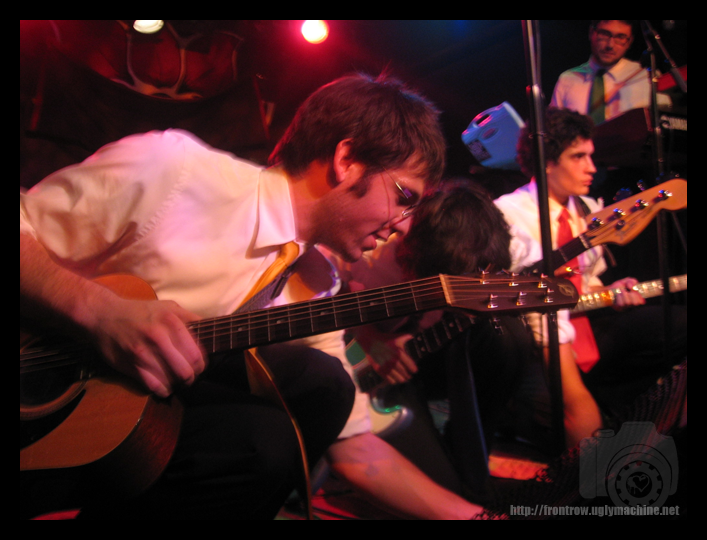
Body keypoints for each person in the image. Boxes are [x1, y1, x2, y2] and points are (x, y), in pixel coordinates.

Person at [20, 73, 447, 519]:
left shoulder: (318, 283)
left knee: (320, 388)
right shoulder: (174, 171)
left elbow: (352, 441)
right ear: (347, 160)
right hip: (36, 410)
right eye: (403, 195)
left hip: (125, 447)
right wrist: (100, 311)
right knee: (265, 439)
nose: (403, 224)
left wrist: (475, 516)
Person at [323, 179, 534, 515]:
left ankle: (471, 448)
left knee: (511, 336)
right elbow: (321, 304)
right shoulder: (366, 249)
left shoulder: (500, 246)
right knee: (442, 491)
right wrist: (371, 339)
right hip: (378, 370)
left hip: (435, 353)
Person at [494, 107, 687, 447]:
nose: (592, 168)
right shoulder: (507, 213)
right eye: (578, 157)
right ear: (547, 161)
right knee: (558, 410)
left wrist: (610, 291)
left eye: (591, 156)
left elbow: (588, 279)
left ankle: (621, 411)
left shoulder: (586, 208)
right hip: (537, 339)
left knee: (678, 325)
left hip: (587, 325)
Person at [550, 20, 653, 124]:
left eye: (620, 37)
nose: (610, 45)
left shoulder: (646, 77)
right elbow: (555, 129)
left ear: (629, 41)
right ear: (591, 33)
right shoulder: (567, 80)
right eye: (604, 34)